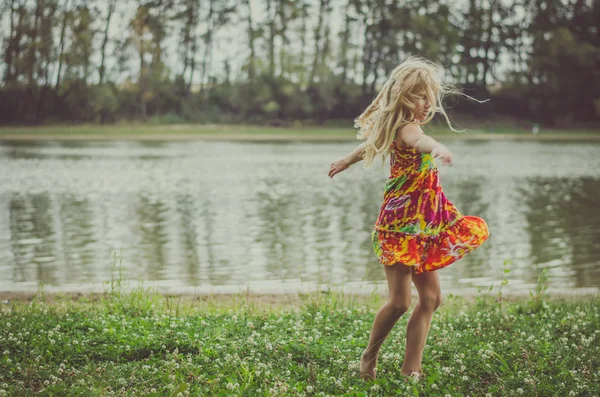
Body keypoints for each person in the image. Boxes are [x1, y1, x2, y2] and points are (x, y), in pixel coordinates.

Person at [328, 56, 489, 381]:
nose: (426, 102)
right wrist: (437, 147)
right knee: (400, 302)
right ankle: (368, 358)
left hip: (425, 227)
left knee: (431, 298)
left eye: (429, 95)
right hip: (401, 228)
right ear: (401, 97)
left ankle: (411, 369)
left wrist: (347, 159)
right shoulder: (409, 128)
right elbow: (419, 141)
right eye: (418, 95)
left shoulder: (395, 127)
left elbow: (371, 143)